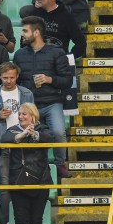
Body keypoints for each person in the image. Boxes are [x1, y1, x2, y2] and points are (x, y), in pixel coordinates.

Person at [14, 16, 73, 177]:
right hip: (29, 104)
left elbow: (67, 80)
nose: (22, 34)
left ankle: (60, 165)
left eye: (25, 31)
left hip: (52, 102)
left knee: (59, 132)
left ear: (37, 32)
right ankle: (27, 166)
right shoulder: (19, 55)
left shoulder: (57, 53)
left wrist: (49, 79)